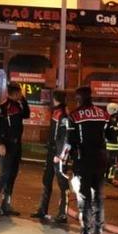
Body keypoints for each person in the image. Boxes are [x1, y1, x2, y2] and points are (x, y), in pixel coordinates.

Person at [60, 86, 109, 234]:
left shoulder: (73, 116)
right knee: (98, 201)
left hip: (83, 164)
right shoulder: (103, 114)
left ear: (79, 99)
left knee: (84, 202)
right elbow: (108, 138)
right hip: (101, 163)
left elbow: (69, 143)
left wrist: (63, 164)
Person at [0, 83, 30, 217]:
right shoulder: (2, 108)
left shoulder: (18, 105)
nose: (20, 95)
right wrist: (0, 143)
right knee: (4, 174)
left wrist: (23, 100)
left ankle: (6, 203)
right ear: (14, 93)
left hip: (17, 145)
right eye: (19, 93)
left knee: (13, 174)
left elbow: (27, 114)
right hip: (6, 146)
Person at [31, 90, 70, 223]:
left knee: (62, 183)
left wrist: (59, 155)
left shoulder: (63, 114)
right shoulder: (57, 111)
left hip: (58, 154)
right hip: (52, 152)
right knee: (46, 180)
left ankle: (62, 213)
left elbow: (65, 136)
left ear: (54, 98)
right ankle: (42, 210)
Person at [104, 102, 118, 182]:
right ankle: (109, 178)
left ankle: (109, 178)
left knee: (113, 163)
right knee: (111, 163)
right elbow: (109, 132)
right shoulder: (108, 121)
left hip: (115, 146)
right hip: (111, 147)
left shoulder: (115, 120)